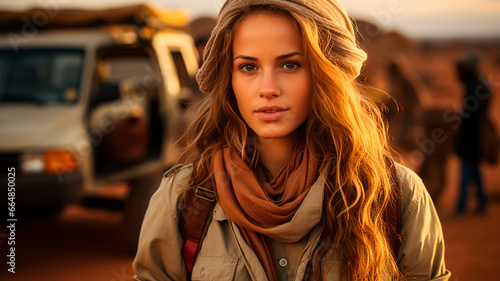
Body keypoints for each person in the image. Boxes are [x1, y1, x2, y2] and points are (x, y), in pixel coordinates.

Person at [133, 0, 451, 280]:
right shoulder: (182, 200)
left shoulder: (396, 196)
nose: (267, 87)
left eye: (290, 64)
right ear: (228, 79)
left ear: (326, 74)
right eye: (248, 67)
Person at [454, 53, 492, 214]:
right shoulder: (481, 83)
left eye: (461, 69)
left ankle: (461, 206)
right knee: (474, 169)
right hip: (477, 133)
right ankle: (482, 203)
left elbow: (471, 113)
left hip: (472, 135)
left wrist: (460, 128)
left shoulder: (473, 85)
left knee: (466, 169)